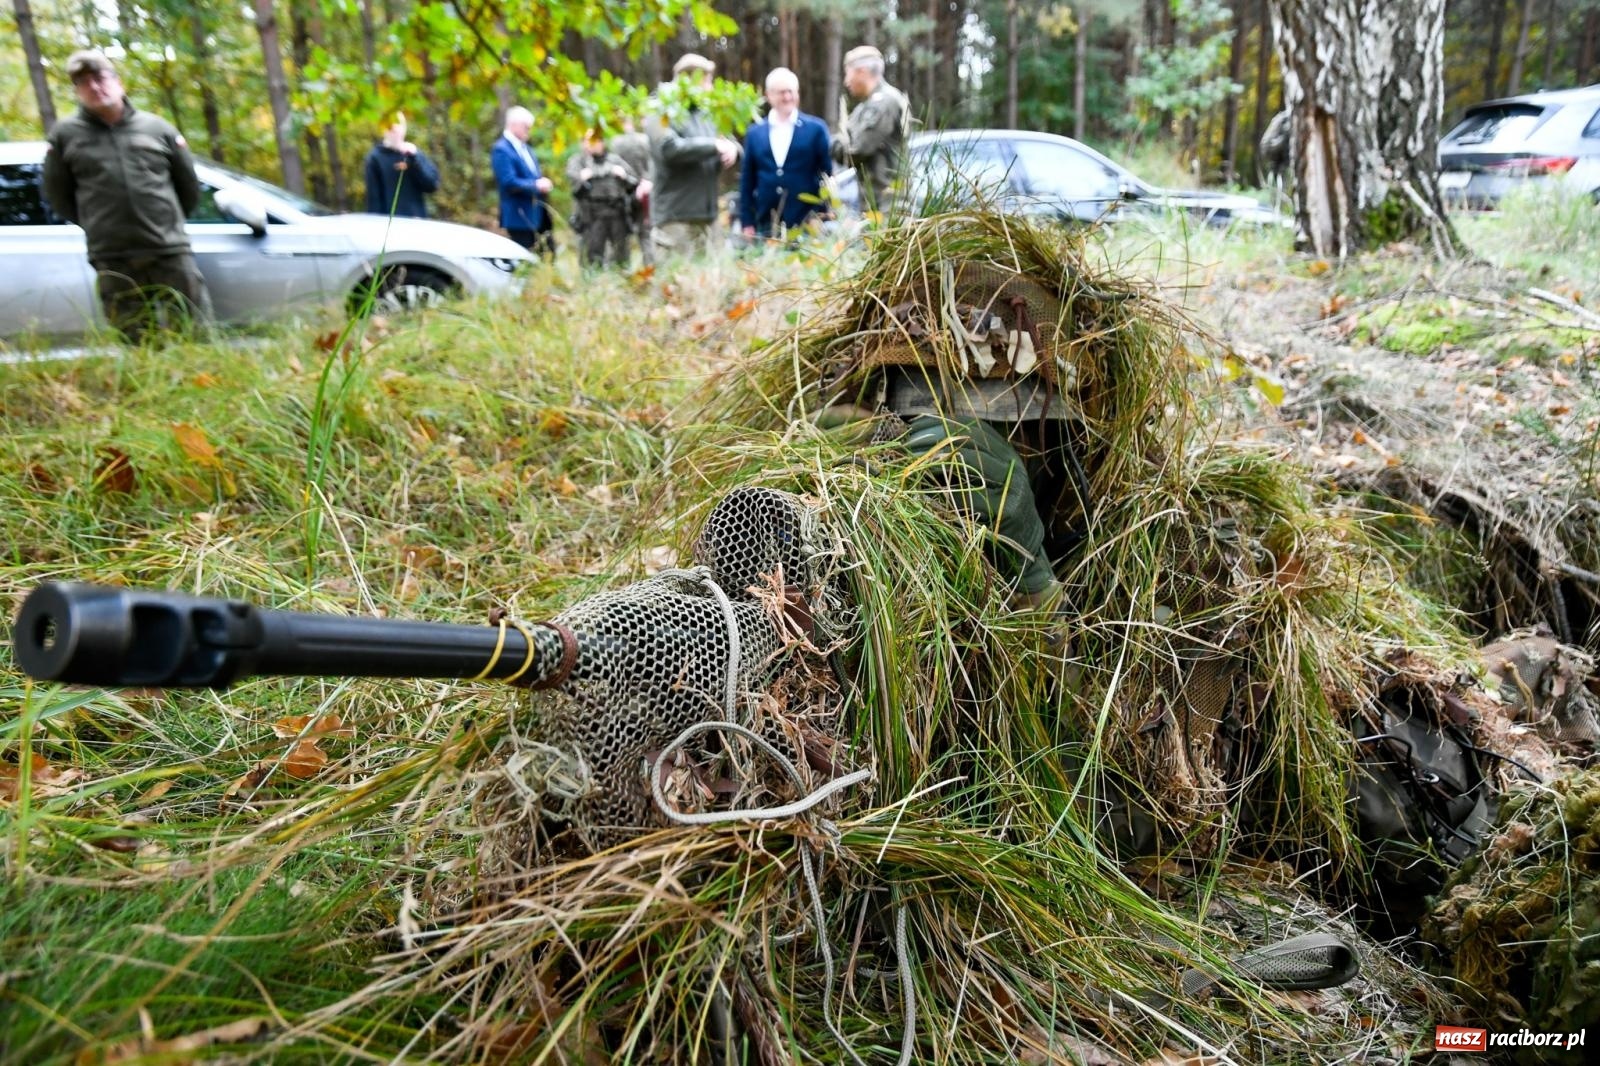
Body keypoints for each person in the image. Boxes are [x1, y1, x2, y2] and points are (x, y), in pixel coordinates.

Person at [41, 50, 206, 343]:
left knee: (193, 333)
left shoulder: (157, 128)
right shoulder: (65, 135)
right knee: (135, 340)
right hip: (112, 256)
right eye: (83, 82)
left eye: (100, 78)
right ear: (77, 91)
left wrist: (165, 222)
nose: (94, 86)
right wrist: (98, 224)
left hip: (168, 250)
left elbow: (189, 189)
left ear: (118, 83)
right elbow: (59, 196)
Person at [647, 53, 742, 258]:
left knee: (712, 285)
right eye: (707, 81)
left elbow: (728, 142)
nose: (710, 87)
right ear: (689, 80)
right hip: (675, 219)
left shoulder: (706, 112)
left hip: (709, 218)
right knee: (675, 285)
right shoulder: (659, 108)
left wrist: (733, 149)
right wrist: (714, 145)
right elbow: (668, 148)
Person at [738, 68, 832, 241]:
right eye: (781, 92)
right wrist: (746, 221)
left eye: (791, 91)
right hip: (766, 222)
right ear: (768, 95)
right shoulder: (754, 133)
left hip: (807, 222)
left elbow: (827, 174)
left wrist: (825, 214)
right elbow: (747, 180)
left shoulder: (816, 129)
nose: (787, 97)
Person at [832, 45, 909, 217]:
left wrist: (830, 144)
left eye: (848, 73)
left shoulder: (884, 102)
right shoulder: (867, 106)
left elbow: (858, 149)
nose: (846, 81)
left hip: (888, 206)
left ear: (862, 71)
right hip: (874, 204)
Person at [566, 129, 639, 268]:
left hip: (617, 212)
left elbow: (633, 183)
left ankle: (622, 280)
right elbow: (574, 186)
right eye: (588, 141)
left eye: (595, 140)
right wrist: (582, 178)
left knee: (621, 253)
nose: (592, 144)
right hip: (592, 215)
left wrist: (623, 176)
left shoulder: (615, 160)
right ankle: (593, 283)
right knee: (592, 255)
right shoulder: (578, 161)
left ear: (602, 142)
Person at [491, 105, 555, 258]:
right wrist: (536, 185)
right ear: (513, 124)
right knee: (524, 260)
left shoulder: (526, 148)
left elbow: (533, 175)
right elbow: (508, 182)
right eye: (526, 126)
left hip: (538, 215)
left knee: (548, 256)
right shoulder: (501, 149)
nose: (529, 130)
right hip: (518, 216)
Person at [363, 113, 440, 219]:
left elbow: (432, 184)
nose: (395, 130)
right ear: (384, 130)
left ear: (404, 129)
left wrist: (414, 159)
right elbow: (374, 201)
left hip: (417, 223)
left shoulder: (414, 154)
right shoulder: (375, 158)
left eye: (398, 125)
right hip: (390, 225)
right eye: (390, 127)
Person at [609, 116, 655, 266]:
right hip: (644, 191)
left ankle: (623, 270)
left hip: (622, 194)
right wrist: (646, 182)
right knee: (645, 234)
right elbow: (652, 164)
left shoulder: (615, 142)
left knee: (621, 235)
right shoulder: (646, 140)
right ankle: (650, 267)